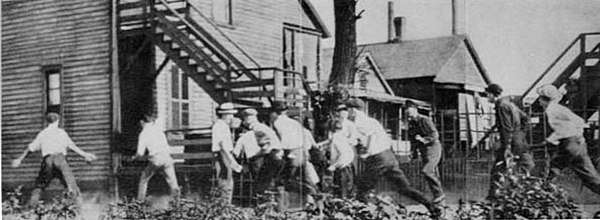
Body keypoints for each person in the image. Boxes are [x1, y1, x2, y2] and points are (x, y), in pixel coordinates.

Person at [347, 99, 441, 217]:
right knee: (404, 188)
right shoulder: (373, 121)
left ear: (353, 110)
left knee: (362, 187)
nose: (347, 113)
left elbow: (369, 136)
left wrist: (367, 152)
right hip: (389, 157)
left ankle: (366, 213)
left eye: (348, 110)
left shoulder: (360, 122)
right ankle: (432, 207)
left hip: (377, 158)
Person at [11, 113, 97, 208]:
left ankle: (31, 209)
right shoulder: (61, 132)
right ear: (58, 121)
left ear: (47, 122)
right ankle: (80, 209)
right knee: (71, 184)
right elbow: (72, 146)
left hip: (47, 160)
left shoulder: (42, 134)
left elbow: (30, 148)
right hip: (60, 160)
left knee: (39, 186)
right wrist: (85, 154)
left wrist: (20, 159)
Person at [537, 84, 600, 195]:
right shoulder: (553, 109)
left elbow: (579, 122)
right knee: (555, 167)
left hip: (571, 144)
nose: (539, 103)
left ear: (544, 99)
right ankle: (544, 192)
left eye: (540, 99)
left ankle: (544, 192)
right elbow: (564, 127)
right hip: (569, 143)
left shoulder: (554, 109)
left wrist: (550, 139)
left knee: (587, 175)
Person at [486, 83, 534, 199]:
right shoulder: (510, 104)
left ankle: (495, 196)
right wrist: (521, 133)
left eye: (487, 94)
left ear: (492, 94)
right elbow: (526, 119)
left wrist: (507, 146)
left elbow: (506, 128)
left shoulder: (501, 106)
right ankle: (520, 193)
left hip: (509, 141)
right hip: (518, 139)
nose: (487, 97)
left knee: (499, 169)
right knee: (523, 165)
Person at [233, 108, 283, 195]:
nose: (244, 121)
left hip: (269, 156)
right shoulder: (259, 127)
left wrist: (256, 156)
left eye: (245, 118)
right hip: (272, 155)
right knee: (264, 181)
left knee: (262, 180)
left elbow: (266, 145)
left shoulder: (257, 128)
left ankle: (262, 200)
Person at [406, 100, 446, 207]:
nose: (407, 111)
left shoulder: (425, 120)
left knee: (427, 171)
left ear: (415, 109)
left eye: (409, 109)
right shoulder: (411, 123)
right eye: (406, 109)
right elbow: (413, 140)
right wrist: (413, 152)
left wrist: (424, 140)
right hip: (424, 151)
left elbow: (435, 134)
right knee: (433, 173)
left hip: (433, 148)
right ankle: (439, 200)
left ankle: (440, 194)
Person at [135, 114, 180, 201]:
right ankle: (176, 201)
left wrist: (134, 158)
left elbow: (140, 153)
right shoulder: (159, 131)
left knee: (144, 178)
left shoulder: (143, 133)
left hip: (156, 159)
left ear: (142, 122)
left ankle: (140, 200)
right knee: (173, 182)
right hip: (167, 158)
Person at [212, 102, 243, 204]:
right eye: (230, 114)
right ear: (224, 114)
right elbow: (222, 146)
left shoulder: (224, 126)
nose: (232, 117)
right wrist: (232, 161)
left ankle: (226, 204)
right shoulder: (220, 126)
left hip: (224, 153)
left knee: (228, 180)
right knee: (225, 180)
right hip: (222, 154)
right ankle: (224, 205)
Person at [327, 119, 355, 198]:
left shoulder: (337, 137)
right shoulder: (341, 136)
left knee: (342, 195)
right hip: (346, 166)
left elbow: (344, 154)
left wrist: (334, 166)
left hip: (343, 169)